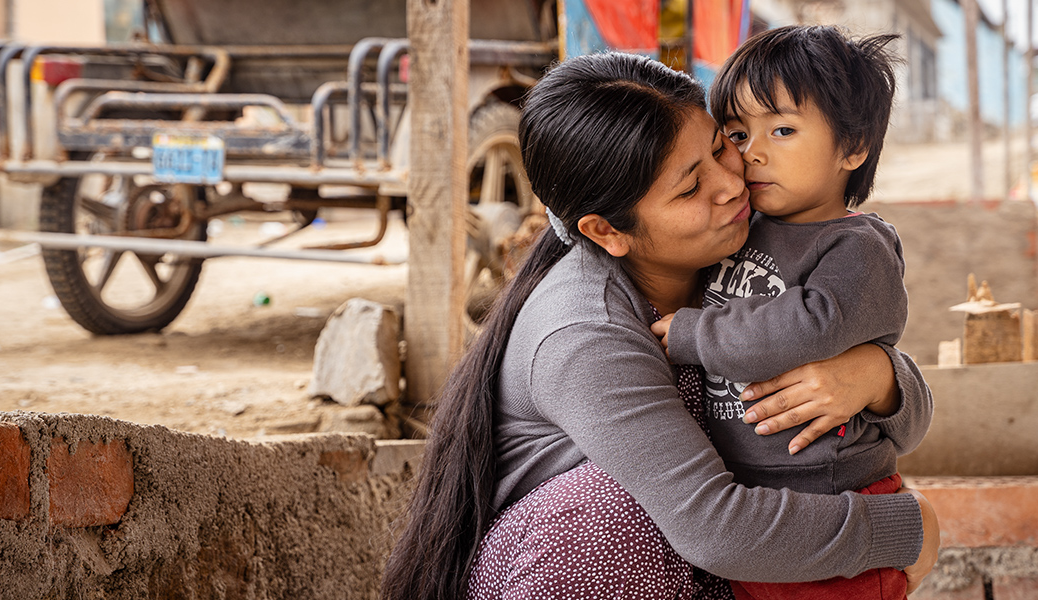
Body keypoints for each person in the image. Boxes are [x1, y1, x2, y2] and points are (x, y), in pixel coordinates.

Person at [380, 51, 939, 600]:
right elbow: (713, 526)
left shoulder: (737, 256)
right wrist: (902, 529)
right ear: (606, 231)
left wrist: (878, 377)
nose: (733, 183)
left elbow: (894, 424)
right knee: (607, 523)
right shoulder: (585, 334)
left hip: (733, 565)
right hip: (606, 568)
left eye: (724, 145)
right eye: (691, 188)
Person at [649, 25, 914, 600]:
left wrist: (696, 335)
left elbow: (808, 327)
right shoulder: (743, 229)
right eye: (738, 133)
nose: (754, 153)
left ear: (853, 146)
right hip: (753, 500)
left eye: (784, 130)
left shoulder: (856, 248)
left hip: (831, 502)